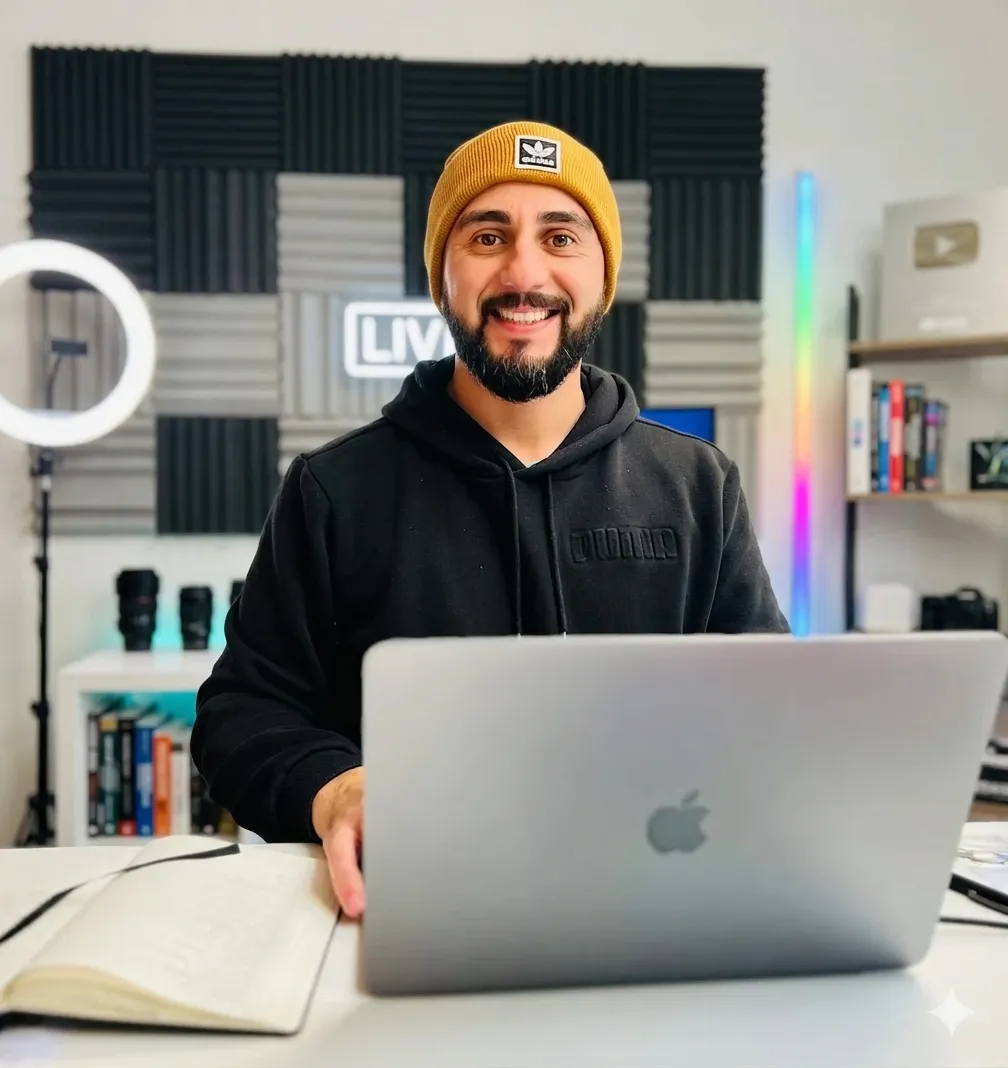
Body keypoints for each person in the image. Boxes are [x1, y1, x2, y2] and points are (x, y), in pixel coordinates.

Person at [191, 120, 789, 919]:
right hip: (407, 906)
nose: (524, 273)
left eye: (560, 237)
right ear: (441, 276)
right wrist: (333, 788)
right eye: (487, 236)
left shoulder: (697, 485)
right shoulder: (333, 490)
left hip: (661, 900)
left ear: (603, 275)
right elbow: (240, 716)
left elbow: (769, 712)